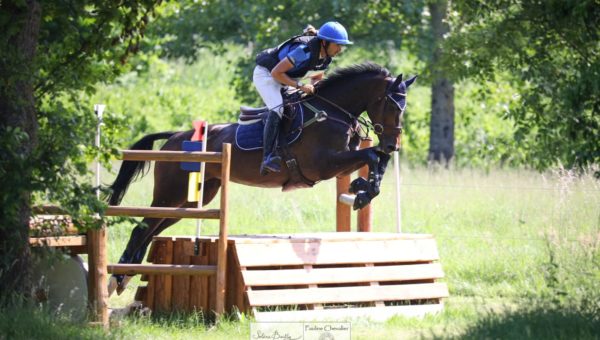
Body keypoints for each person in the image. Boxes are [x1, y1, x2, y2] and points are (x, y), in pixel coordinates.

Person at [254, 21, 353, 175]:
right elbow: (275, 73)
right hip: (266, 75)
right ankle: (267, 157)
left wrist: (315, 87)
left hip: (283, 77)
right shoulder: (303, 51)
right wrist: (300, 86)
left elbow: (317, 76)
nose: (340, 49)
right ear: (325, 42)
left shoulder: (326, 57)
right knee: (278, 108)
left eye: (341, 45)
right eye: (337, 45)